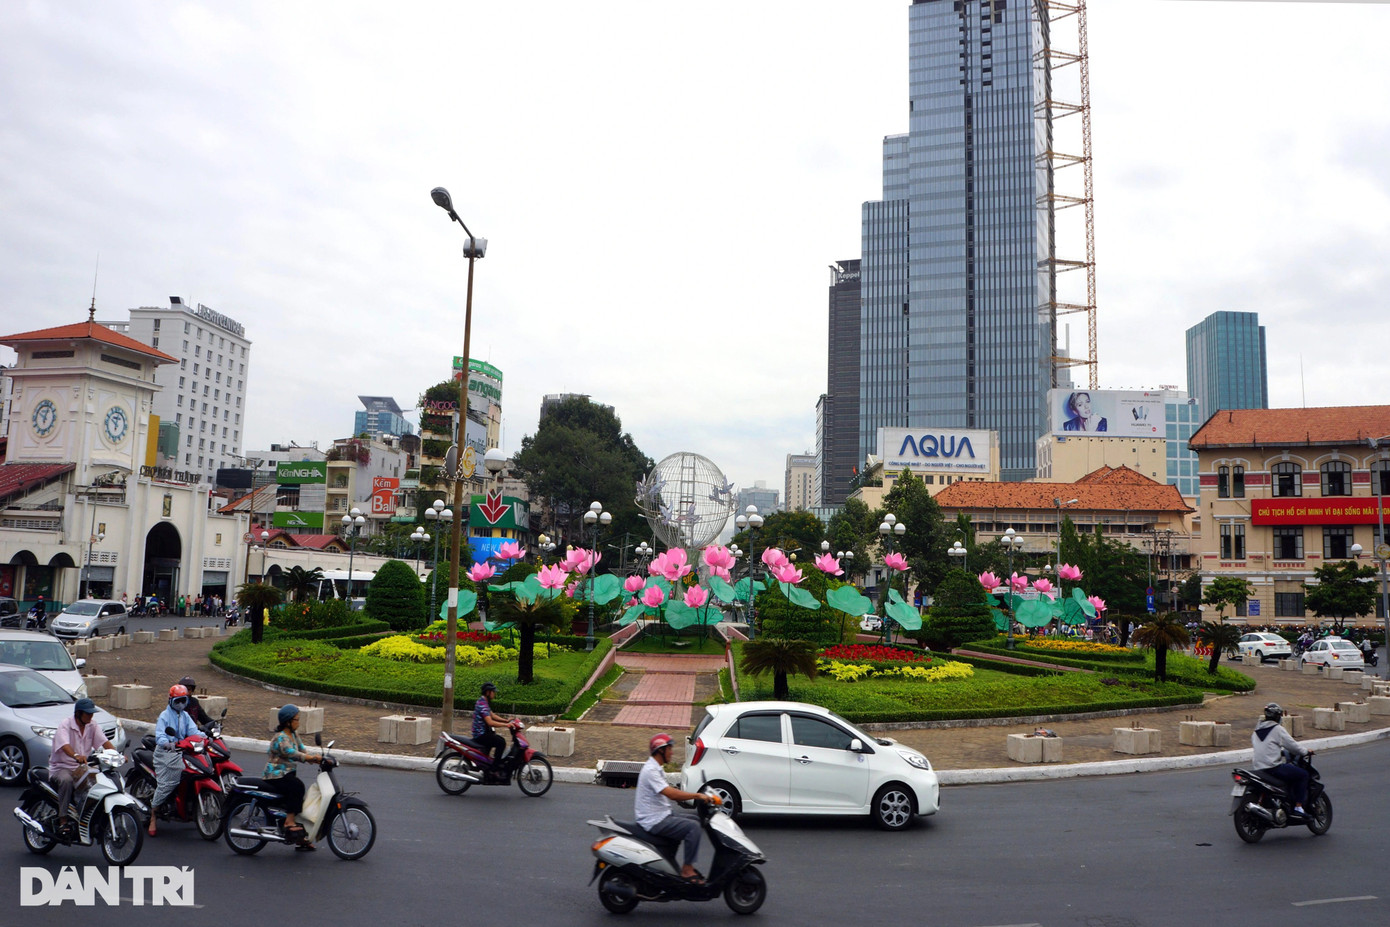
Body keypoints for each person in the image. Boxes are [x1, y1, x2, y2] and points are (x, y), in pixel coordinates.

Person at [636, 734, 719, 882]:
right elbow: (672, 794)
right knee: (693, 827)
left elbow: (669, 791)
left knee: (696, 820)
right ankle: (687, 870)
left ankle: (668, 859)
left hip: (661, 814)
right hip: (654, 820)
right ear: (661, 750)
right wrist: (698, 796)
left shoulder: (655, 768)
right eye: (669, 749)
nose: (672, 752)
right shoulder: (651, 771)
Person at [49, 698, 115, 840]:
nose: (91, 716)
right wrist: (76, 755)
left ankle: (87, 817)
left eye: (92, 714)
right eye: (88, 714)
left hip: (82, 768)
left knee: (99, 783)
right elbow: (65, 745)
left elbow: (104, 742)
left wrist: (116, 755)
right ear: (78, 714)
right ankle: (63, 820)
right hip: (62, 767)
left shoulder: (92, 725)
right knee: (66, 781)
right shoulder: (65, 725)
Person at [264, 705, 323, 849]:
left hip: (287, 774)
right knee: (297, 786)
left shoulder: (294, 734)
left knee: (299, 797)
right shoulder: (280, 738)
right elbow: (291, 753)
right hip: (275, 775)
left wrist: (316, 758)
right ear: (288, 722)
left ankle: (298, 836)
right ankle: (289, 822)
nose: (298, 722)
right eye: (296, 719)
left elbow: (302, 749)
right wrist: (309, 758)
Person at [149, 684, 200, 836]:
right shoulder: (164, 716)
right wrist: (167, 743)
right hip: (165, 753)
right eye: (177, 701)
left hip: (181, 751)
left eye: (183, 700)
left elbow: (194, 732)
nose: (180, 704)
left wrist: (208, 737)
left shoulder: (185, 716)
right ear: (171, 700)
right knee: (167, 783)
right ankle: (153, 815)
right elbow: (160, 735)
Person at [1251, 702, 1310, 816]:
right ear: (1278, 716)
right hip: (1273, 768)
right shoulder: (1277, 729)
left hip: (1258, 768)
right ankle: (1298, 807)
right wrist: (1306, 751)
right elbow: (1293, 746)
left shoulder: (1256, 731)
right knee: (1303, 775)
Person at [472, 682, 511, 776]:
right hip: (480, 734)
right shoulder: (482, 704)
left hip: (483, 732)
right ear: (488, 692)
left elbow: (492, 715)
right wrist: (506, 725)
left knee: (496, 739)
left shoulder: (483, 701)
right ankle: (494, 769)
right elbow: (490, 722)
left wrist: (506, 720)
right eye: (493, 692)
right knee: (501, 742)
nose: (494, 694)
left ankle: (486, 766)